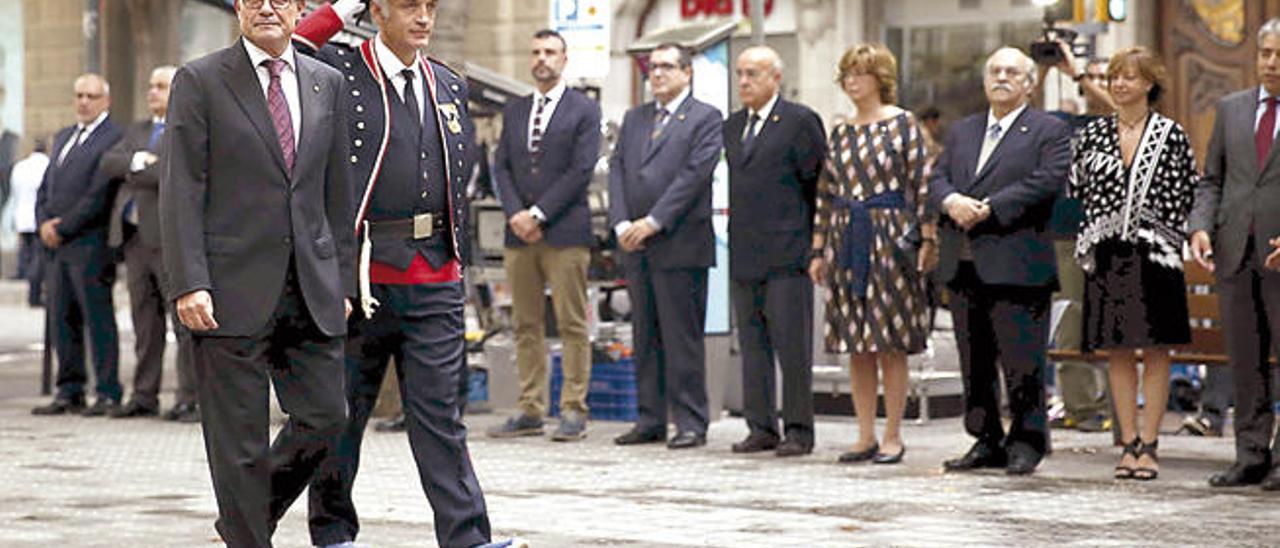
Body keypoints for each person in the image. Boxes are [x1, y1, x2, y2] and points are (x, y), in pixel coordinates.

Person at [293, 2, 517, 547]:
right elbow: (292, 50)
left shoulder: (446, 82)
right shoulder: (340, 71)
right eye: (408, 5)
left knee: (442, 418)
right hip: (361, 280)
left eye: (429, 6)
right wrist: (341, 6)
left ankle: (467, 538)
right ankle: (333, 534)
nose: (422, 17)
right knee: (341, 418)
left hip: (435, 274)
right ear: (379, 11)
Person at [160, 0, 356, 544]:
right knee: (238, 445)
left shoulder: (326, 82)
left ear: (300, 9)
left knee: (326, 418)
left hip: (311, 287)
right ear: (239, 9)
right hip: (227, 289)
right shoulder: (200, 81)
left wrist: (344, 280)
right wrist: (189, 281)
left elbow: (336, 194)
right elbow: (181, 189)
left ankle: (241, 521)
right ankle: (249, 534)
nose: (266, 7)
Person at [929, 47, 1071, 476]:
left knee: (1022, 361)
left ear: (1029, 83)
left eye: (1012, 71)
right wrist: (950, 200)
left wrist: (990, 206)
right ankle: (985, 438)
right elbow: (937, 176)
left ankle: (1028, 441)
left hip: (1018, 262)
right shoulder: (963, 130)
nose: (1002, 77)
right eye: (994, 70)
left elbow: (1047, 180)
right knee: (974, 360)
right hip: (964, 262)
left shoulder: (1049, 129)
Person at [1070, 47, 1197, 480]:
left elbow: (1186, 193)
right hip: (1107, 255)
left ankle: (1152, 442)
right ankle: (1128, 443)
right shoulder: (1092, 133)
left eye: (1129, 76)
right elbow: (1076, 189)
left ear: (1149, 83)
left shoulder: (1171, 134)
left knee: (1157, 349)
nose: (1120, 84)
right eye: (1114, 77)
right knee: (1118, 350)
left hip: (1156, 256)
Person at [809, 44, 936, 465]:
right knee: (855, 342)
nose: (852, 81)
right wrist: (818, 248)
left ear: (880, 78)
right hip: (847, 238)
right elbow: (826, 194)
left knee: (889, 340)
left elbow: (921, 184)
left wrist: (927, 238)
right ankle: (863, 434)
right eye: (847, 73)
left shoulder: (902, 124)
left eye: (860, 73)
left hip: (890, 236)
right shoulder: (841, 131)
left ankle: (893, 434)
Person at [487, 28, 602, 442]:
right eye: (535, 51)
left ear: (564, 59)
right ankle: (530, 407)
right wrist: (515, 212)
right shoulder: (515, 109)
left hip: (565, 232)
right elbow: (500, 167)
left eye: (550, 52)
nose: (542, 58)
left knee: (571, 324)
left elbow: (581, 169)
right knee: (525, 324)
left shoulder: (584, 110)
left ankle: (573, 408)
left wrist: (538, 213)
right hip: (519, 236)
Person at [609, 42, 723, 450]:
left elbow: (693, 177)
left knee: (682, 337)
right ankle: (650, 418)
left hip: (680, 242)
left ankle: (691, 421)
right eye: (651, 67)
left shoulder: (706, 118)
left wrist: (653, 222)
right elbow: (618, 170)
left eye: (666, 67)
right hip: (635, 245)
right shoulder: (635, 118)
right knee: (645, 334)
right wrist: (622, 221)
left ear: (687, 72)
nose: (656, 74)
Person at [725, 46, 825, 457]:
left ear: (775, 78)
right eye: (740, 74)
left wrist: (815, 246)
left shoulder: (799, 122)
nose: (744, 82)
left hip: (787, 252)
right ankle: (760, 425)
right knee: (752, 344)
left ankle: (799, 428)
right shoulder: (732, 127)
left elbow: (816, 185)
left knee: (791, 346)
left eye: (753, 74)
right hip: (745, 251)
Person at [1192, 17, 1280, 491]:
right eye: (1265, 53)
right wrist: (1200, 227)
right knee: (1244, 361)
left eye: (1279, 55)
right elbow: (1212, 180)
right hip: (1234, 252)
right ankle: (1250, 454)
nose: (1271, 63)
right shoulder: (1231, 109)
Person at [99, 66, 199, 423]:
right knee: (144, 323)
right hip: (134, 240)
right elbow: (109, 162)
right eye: (150, 86)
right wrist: (140, 161)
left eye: (161, 86)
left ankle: (189, 398)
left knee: (183, 324)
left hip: (170, 241)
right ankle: (144, 394)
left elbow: (172, 172)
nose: (152, 92)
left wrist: (137, 169)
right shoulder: (138, 130)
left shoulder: (187, 127)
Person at [30, 73, 124, 417]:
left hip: (90, 245)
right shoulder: (65, 135)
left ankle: (107, 391)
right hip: (56, 247)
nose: (84, 101)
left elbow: (98, 194)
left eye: (91, 96)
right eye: (79, 95)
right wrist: (42, 222)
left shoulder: (114, 137)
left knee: (97, 319)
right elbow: (46, 185)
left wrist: (63, 227)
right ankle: (69, 390)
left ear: (106, 101)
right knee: (61, 318)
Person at [1046, 52, 1114, 434]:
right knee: (1071, 322)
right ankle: (1083, 406)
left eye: (1106, 78)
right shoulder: (1064, 122)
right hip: (1066, 233)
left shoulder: (1123, 124)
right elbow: (1021, 112)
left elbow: (1119, 108)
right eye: (1096, 78)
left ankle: (1115, 404)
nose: (1099, 84)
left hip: (1112, 234)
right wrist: (1044, 70)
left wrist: (1080, 74)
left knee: (1112, 324)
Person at [8, 140, 49, 306]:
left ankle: (22, 273)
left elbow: (14, 190)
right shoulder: (47, 165)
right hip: (38, 216)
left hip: (22, 214)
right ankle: (34, 292)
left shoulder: (20, 167)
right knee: (38, 256)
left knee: (25, 249)